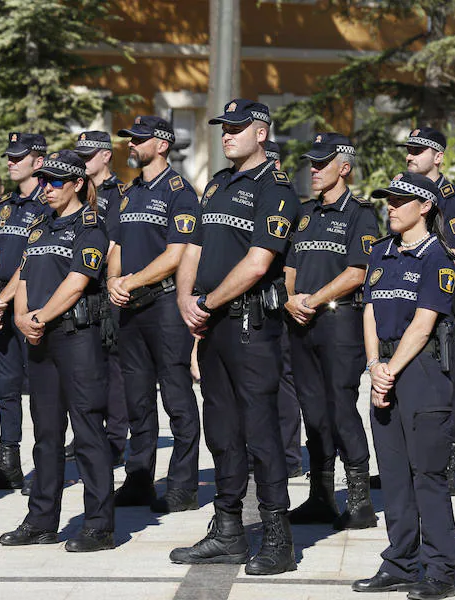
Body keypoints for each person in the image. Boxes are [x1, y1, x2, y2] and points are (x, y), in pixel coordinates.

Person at [171, 99, 299, 575]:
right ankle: (227, 531)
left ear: (261, 133)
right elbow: (195, 247)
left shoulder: (277, 189)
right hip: (212, 325)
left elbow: (259, 262)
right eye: (224, 128)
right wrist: (187, 301)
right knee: (221, 431)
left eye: (237, 128)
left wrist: (207, 303)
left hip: (251, 326)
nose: (227, 135)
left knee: (261, 434)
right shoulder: (218, 183)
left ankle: (277, 537)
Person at [0, 150, 114, 552]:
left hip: (76, 337)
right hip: (40, 338)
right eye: (44, 181)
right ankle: (41, 519)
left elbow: (78, 281)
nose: (46, 188)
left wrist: (41, 317)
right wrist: (22, 317)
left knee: (87, 433)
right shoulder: (39, 226)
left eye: (55, 182)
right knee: (46, 435)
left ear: (77, 184)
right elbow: (25, 277)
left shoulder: (92, 227)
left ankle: (99, 525)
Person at [353, 172, 455, 600]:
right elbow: (371, 312)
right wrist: (374, 365)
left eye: (400, 201)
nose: (390, 207)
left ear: (425, 206)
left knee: (427, 475)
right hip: (387, 368)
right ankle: (399, 562)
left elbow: (424, 322)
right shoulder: (381, 252)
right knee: (393, 475)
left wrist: (390, 370)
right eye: (388, 200)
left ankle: (441, 570)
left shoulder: (438, 258)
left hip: (422, 372)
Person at [284, 133, 379, 530]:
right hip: (301, 321)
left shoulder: (361, 214)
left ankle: (359, 501)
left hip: (339, 322)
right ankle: (320, 496)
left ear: (344, 168)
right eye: (311, 163)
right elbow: (288, 265)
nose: (314, 170)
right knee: (313, 411)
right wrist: (291, 298)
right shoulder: (304, 213)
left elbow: (358, 272)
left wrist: (313, 299)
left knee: (340, 408)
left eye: (322, 163)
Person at [108, 116, 201, 513]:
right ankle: (139, 478)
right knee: (137, 400)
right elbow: (115, 243)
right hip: (129, 307)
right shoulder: (127, 192)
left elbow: (177, 254)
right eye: (131, 139)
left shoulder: (181, 193)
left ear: (161, 145)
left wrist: (130, 281)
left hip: (163, 305)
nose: (132, 145)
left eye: (140, 140)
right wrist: (113, 281)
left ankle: (182, 485)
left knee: (177, 399)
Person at [0, 132, 49, 492]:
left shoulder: (49, 202)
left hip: (33, 305)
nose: (11, 162)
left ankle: (45, 467)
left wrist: (4, 298)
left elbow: (32, 258)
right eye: (10, 156)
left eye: (19, 157)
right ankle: (8, 463)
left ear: (39, 161)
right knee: (6, 388)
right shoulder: (4, 207)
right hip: (2, 304)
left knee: (43, 392)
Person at [400, 127, 455, 496]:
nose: (410, 156)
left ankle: (454, 464)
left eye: (418, 150)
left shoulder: (452, 201)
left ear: (438, 156)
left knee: (447, 379)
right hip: (402, 301)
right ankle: (410, 461)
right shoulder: (403, 196)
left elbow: (453, 255)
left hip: (440, 303)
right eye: (408, 150)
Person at [75, 130, 128, 465]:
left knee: (113, 367)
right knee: (84, 367)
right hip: (79, 285)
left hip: (104, 283)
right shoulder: (77, 192)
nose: (82, 162)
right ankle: (87, 434)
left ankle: (115, 439)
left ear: (106, 155)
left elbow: (112, 242)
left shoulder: (119, 193)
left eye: (88, 156)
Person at [265, 139, 303, 478]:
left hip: (285, 303)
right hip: (262, 304)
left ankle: (290, 455)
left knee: (285, 381)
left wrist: (290, 298)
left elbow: (292, 260)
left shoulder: (286, 201)